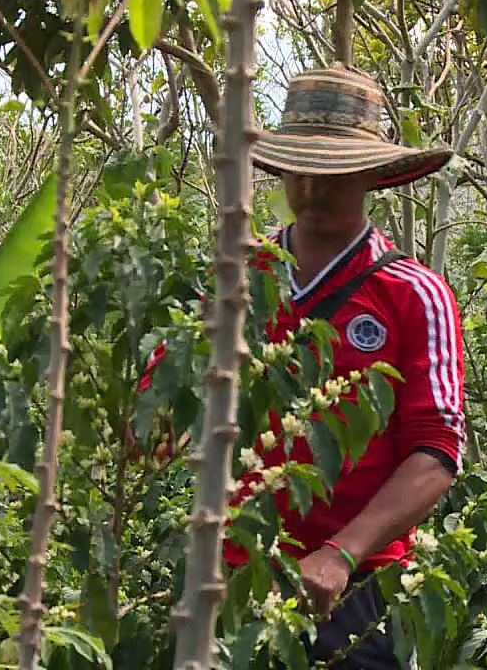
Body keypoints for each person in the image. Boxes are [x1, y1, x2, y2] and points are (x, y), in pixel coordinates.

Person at [145, 63, 466, 668]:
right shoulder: (234, 280)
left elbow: (437, 452)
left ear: (369, 175)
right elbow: (161, 411)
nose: (313, 190)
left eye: (334, 176)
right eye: (301, 171)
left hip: (359, 591)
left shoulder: (412, 294)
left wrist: (340, 553)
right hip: (233, 583)